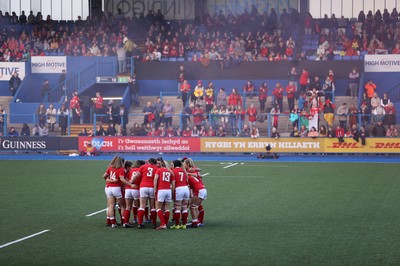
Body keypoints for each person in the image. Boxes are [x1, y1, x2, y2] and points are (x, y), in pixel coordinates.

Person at [131, 158, 159, 229]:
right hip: (152, 187)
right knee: (152, 206)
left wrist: (131, 181)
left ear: (149, 162)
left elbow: (136, 175)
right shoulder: (156, 168)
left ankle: (140, 223)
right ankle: (154, 223)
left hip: (143, 187)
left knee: (142, 206)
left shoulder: (143, 166)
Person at [103, 156, 128, 227]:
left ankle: (113, 223)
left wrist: (111, 181)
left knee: (111, 206)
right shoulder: (121, 169)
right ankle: (124, 222)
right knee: (123, 206)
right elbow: (122, 180)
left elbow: (104, 176)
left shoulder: (110, 168)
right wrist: (130, 184)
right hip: (116, 188)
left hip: (108, 188)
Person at [184, 158, 207, 228]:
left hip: (199, 189)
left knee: (192, 206)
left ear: (187, 164)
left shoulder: (190, 170)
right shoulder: (190, 171)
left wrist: (188, 173)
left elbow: (198, 173)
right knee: (195, 207)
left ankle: (194, 222)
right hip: (202, 189)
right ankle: (196, 221)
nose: (184, 165)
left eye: (184, 164)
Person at [123, 160, 145, 226]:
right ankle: (139, 222)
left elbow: (125, 178)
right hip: (136, 189)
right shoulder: (140, 170)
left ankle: (126, 222)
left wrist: (129, 183)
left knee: (128, 207)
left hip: (128, 189)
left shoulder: (130, 170)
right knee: (139, 207)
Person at [153, 159, 175, 230]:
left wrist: (155, 189)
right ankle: (165, 223)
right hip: (168, 190)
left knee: (158, 208)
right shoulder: (170, 171)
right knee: (167, 208)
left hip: (161, 190)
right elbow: (172, 182)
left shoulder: (159, 170)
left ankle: (163, 224)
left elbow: (156, 179)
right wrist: (172, 191)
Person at [170, 160, 190, 229]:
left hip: (179, 189)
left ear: (175, 165)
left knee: (177, 207)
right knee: (184, 207)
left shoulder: (173, 171)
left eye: (172, 164)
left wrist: (172, 193)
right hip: (186, 188)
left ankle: (177, 225)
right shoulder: (183, 171)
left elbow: (173, 183)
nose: (171, 166)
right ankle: (184, 225)